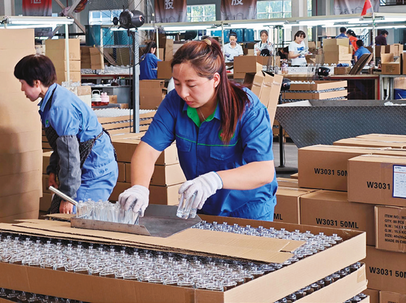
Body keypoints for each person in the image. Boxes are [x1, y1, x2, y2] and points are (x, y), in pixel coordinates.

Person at [118, 38, 277, 220]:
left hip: (248, 210)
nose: (183, 93)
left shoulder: (247, 108)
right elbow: (148, 150)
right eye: (177, 83)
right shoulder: (174, 103)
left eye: (191, 85)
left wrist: (214, 180)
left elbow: (263, 170)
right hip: (203, 206)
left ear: (215, 79)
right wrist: (139, 188)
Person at [14, 54, 118, 214]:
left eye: (22, 83)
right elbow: (61, 146)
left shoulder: (60, 108)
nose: (22, 89)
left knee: (74, 216)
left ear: (36, 82)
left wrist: (68, 197)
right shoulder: (51, 101)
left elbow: (70, 154)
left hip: (95, 171)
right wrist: (53, 170)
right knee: (57, 213)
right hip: (81, 166)